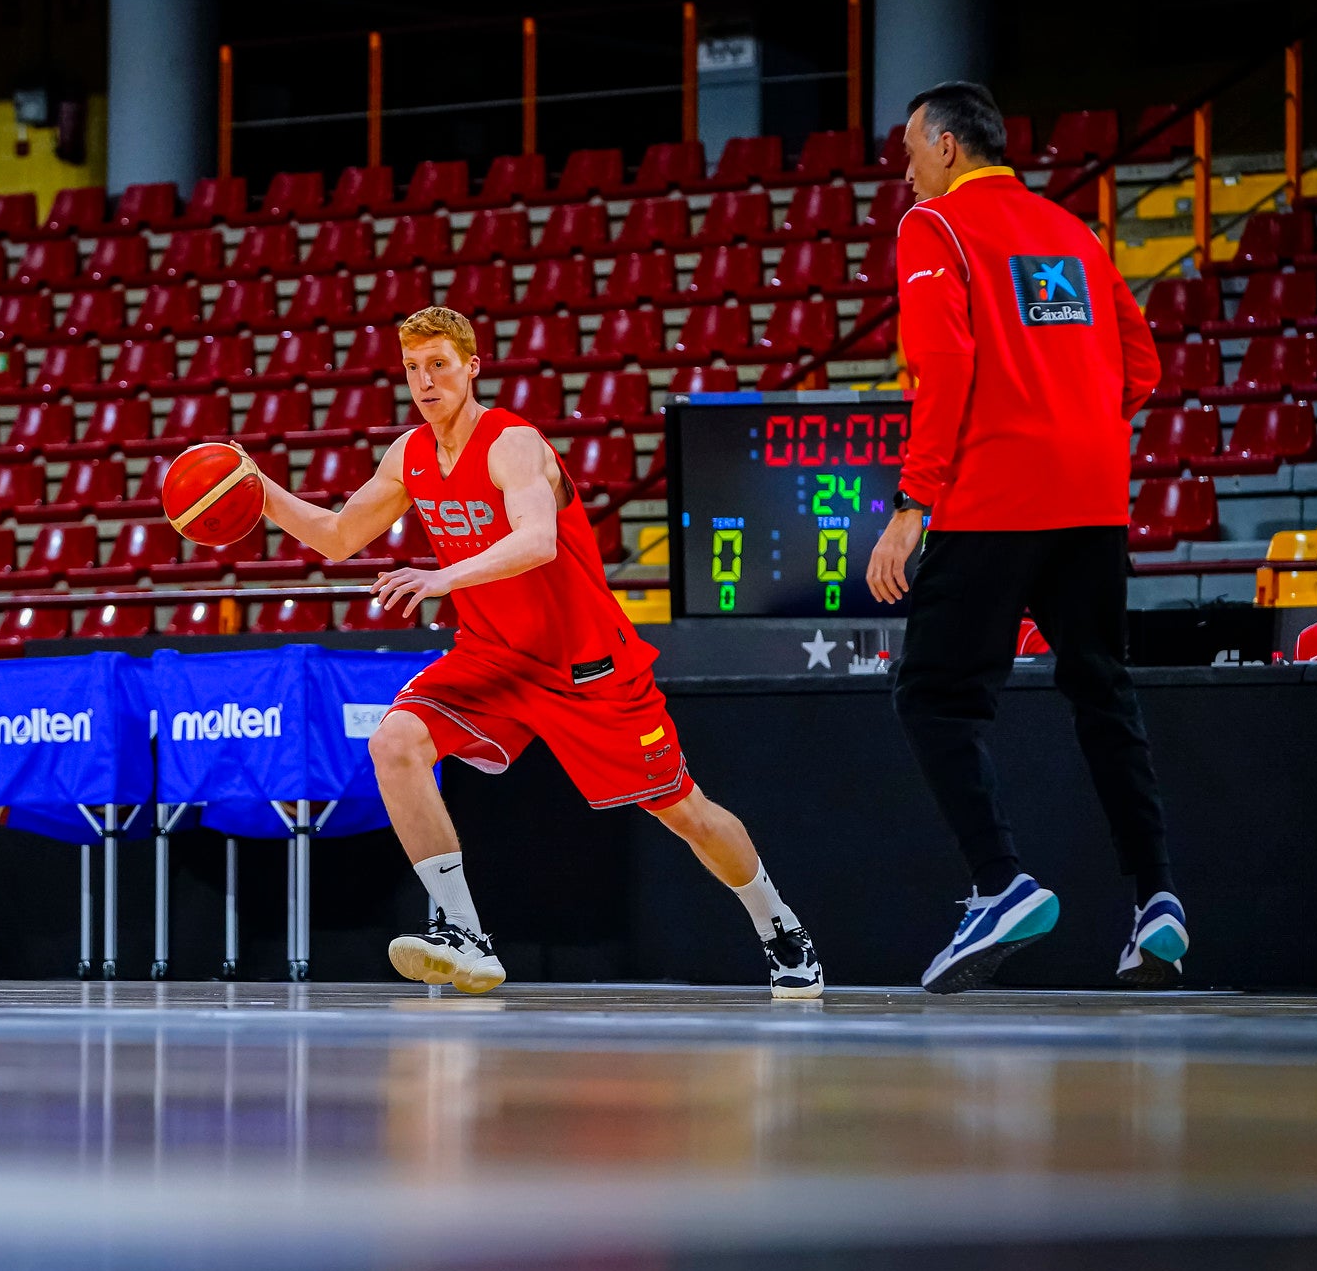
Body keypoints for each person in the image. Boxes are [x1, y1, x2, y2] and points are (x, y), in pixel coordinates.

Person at [250, 306, 822, 998]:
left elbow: (536, 541)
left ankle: (779, 925)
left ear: (471, 368)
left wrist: (442, 576)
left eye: (439, 365)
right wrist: (257, 489)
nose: (425, 381)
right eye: (412, 369)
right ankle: (466, 933)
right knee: (396, 741)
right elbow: (338, 534)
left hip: (586, 662)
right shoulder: (409, 454)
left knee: (685, 811)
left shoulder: (512, 443)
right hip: (493, 654)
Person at [864, 81, 1186, 994]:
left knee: (934, 696)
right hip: (1091, 502)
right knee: (1103, 694)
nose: (908, 168)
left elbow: (947, 364)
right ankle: (1158, 901)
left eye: (914, 150)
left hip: (992, 498)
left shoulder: (935, 229)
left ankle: (1001, 883)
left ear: (951, 148)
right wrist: (1072, 425)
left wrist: (912, 506)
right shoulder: (1074, 232)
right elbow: (1144, 362)